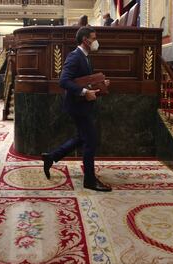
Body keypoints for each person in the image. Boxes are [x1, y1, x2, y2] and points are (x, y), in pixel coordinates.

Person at [41, 27, 111, 192]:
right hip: (77, 106)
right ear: (86, 40)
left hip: (81, 105)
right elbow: (64, 81)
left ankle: (51, 157)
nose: (96, 41)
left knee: (82, 138)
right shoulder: (75, 56)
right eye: (94, 38)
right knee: (91, 141)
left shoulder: (85, 57)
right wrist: (85, 92)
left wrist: (100, 85)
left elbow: (82, 80)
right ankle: (89, 180)